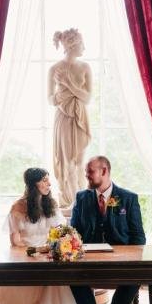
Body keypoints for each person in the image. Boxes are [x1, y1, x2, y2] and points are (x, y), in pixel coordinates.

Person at [0, 167, 85, 304]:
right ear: (33, 183)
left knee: (54, 283)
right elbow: (15, 241)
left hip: (49, 257)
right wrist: (33, 252)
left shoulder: (51, 204)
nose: (49, 184)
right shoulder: (18, 207)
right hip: (26, 257)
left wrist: (56, 247)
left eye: (48, 180)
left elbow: (61, 232)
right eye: (44, 180)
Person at [70, 156, 146, 304]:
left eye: (90, 171)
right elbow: (74, 233)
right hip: (88, 262)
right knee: (73, 280)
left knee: (133, 281)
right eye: (86, 171)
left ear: (104, 171)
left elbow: (139, 238)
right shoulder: (81, 197)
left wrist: (129, 260)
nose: (86, 175)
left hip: (120, 263)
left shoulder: (129, 198)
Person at [48, 28, 92, 208]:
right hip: (64, 117)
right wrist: (61, 98)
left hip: (80, 116)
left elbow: (87, 98)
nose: (84, 48)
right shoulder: (54, 68)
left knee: (81, 162)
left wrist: (67, 84)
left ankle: (80, 199)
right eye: (81, 44)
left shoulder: (85, 67)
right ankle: (74, 202)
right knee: (68, 162)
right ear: (72, 45)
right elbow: (50, 99)